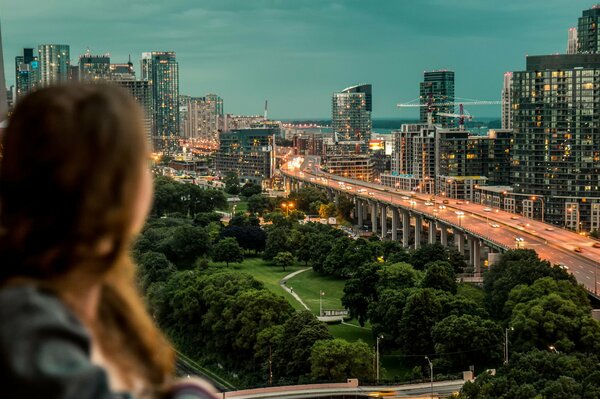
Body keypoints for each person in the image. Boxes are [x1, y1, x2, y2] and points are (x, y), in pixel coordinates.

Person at [0, 84, 217, 399]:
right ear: (114, 186)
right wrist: (193, 393)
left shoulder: (101, 297)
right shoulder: (20, 316)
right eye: (142, 160)